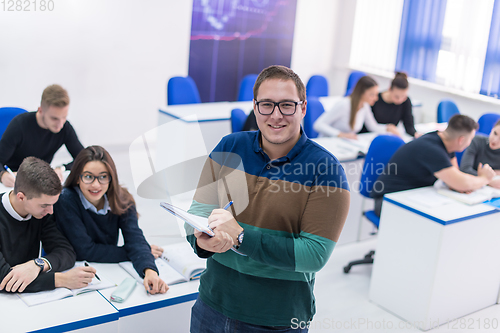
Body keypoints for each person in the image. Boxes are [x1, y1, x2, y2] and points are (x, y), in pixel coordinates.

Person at [186, 65, 350, 332]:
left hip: (276, 320)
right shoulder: (229, 147)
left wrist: (241, 237)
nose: (276, 115)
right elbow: (197, 212)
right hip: (211, 305)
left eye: (287, 105)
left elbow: (314, 255)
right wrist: (202, 240)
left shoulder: (326, 170)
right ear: (255, 106)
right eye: (266, 105)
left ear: (303, 108)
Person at [54, 146, 168, 295]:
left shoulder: (123, 199)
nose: (96, 184)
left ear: (111, 178)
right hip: (75, 274)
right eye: (88, 177)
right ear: (77, 177)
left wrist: (150, 271)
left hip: (108, 273)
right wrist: (135, 251)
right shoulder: (66, 200)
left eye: (103, 177)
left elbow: (134, 237)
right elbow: (85, 250)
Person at [0, 157, 96, 293]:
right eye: (44, 205)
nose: (50, 211)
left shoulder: (40, 213)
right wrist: (60, 280)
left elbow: (66, 252)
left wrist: (37, 264)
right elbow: (4, 279)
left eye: (52, 204)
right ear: (21, 197)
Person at [372, 115, 496, 217]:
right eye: (470, 139)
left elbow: (455, 178)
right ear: (461, 140)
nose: (470, 143)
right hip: (388, 202)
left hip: (408, 197)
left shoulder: (445, 142)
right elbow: (460, 182)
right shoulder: (432, 149)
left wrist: (462, 183)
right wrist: (485, 178)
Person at [0, 84, 84, 187]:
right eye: (54, 118)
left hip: (37, 181)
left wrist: (62, 168)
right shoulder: (19, 125)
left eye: (64, 117)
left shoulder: (64, 128)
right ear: (40, 110)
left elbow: (83, 157)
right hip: (12, 180)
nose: (60, 124)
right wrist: (2, 175)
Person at [313, 76, 399, 139]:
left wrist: (388, 128)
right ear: (361, 93)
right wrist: (341, 134)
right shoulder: (344, 104)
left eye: (376, 94)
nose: (376, 98)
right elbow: (318, 125)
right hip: (328, 143)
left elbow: (373, 127)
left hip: (341, 144)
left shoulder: (365, 106)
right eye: (372, 95)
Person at [371, 72, 420, 137]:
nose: (400, 100)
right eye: (396, 97)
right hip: (372, 135)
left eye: (403, 96)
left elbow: (409, 125)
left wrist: (416, 134)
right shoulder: (375, 99)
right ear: (389, 89)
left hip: (390, 137)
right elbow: (369, 125)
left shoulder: (406, 101)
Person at [460, 119, 500, 189]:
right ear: (492, 129)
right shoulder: (477, 141)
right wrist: (488, 180)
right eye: (495, 133)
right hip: (473, 187)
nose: (495, 140)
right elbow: (465, 169)